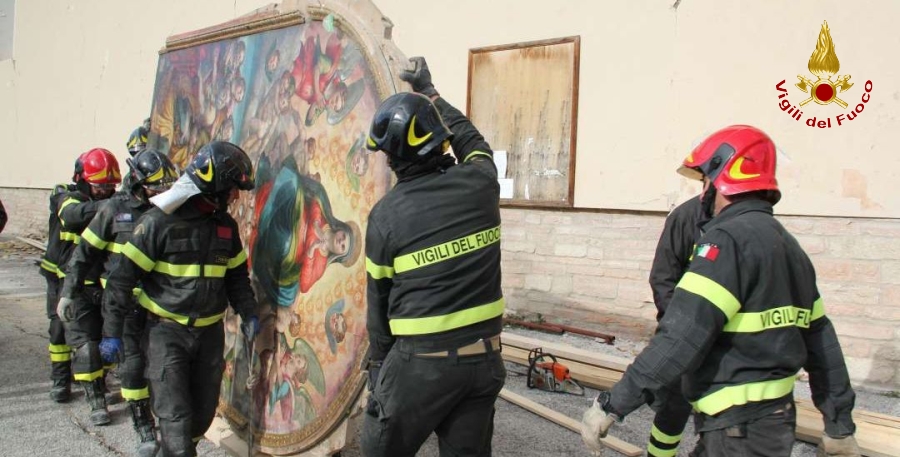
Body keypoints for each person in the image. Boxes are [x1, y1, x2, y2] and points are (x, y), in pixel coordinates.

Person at [581, 125, 860, 457]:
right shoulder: (789, 246)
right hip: (772, 423)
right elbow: (822, 342)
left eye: (705, 181)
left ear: (723, 179)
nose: (702, 194)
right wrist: (839, 424)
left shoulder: (726, 242)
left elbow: (681, 336)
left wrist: (613, 403)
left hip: (736, 432)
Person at [361, 56, 506, 457]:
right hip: (485, 361)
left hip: (421, 364)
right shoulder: (481, 182)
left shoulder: (386, 216)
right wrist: (431, 94)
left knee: (378, 447)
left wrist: (380, 369)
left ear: (393, 158)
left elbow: (379, 304)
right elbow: (472, 140)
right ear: (438, 141)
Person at [100, 141, 259, 457]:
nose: (236, 196)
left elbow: (237, 278)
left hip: (209, 336)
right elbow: (120, 281)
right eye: (232, 188)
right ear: (214, 186)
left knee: (202, 415)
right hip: (165, 333)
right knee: (175, 419)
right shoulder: (157, 223)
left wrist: (249, 313)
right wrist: (112, 333)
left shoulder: (225, 228)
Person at [62, 149, 177, 456]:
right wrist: (68, 293)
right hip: (123, 305)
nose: (163, 192)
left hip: (161, 307)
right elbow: (83, 254)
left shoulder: (171, 211)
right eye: (157, 186)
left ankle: (172, 427)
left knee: (163, 367)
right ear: (140, 184)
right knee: (133, 365)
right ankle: (143, 427)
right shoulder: (115, 209)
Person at [55, 148, 122, 424]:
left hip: (105, 284)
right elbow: (73, 216)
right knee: (85, 345)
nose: (105, 192)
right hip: (77, 284)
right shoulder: (64, 198)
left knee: (108, 343)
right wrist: (115, 204)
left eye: (110, 187)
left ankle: (101, 384)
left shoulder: (114, 201)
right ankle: (95, 403)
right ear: (82, 179)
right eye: (99, 186)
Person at [644, 194, 708, 456]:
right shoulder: (685, 217)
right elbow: (663, 279)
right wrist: (682, 330)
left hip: (723, 344)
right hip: (684, 338)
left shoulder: (745, 224)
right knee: (673, 409)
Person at [40, 178, 77, 402]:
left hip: (85, 275)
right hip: (57, 273)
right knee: (58, 328)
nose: (104, 190)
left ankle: (93, 378)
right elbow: (59, 199)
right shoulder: (65, 195)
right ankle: (61, 379)